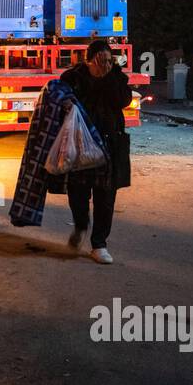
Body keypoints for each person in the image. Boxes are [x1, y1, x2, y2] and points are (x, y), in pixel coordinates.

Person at [58, 39, 131, 264]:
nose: (105, 65)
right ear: (89, 60)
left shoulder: (117, 78)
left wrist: (108, 77)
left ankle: (99, 244)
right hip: (80, 144)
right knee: (78, 192)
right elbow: (62, 99)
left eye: (109, 60)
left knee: (105, 197)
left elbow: (122, 101)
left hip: (108, 146)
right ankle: (80, 226)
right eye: (100, 61)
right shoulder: (74, 78)